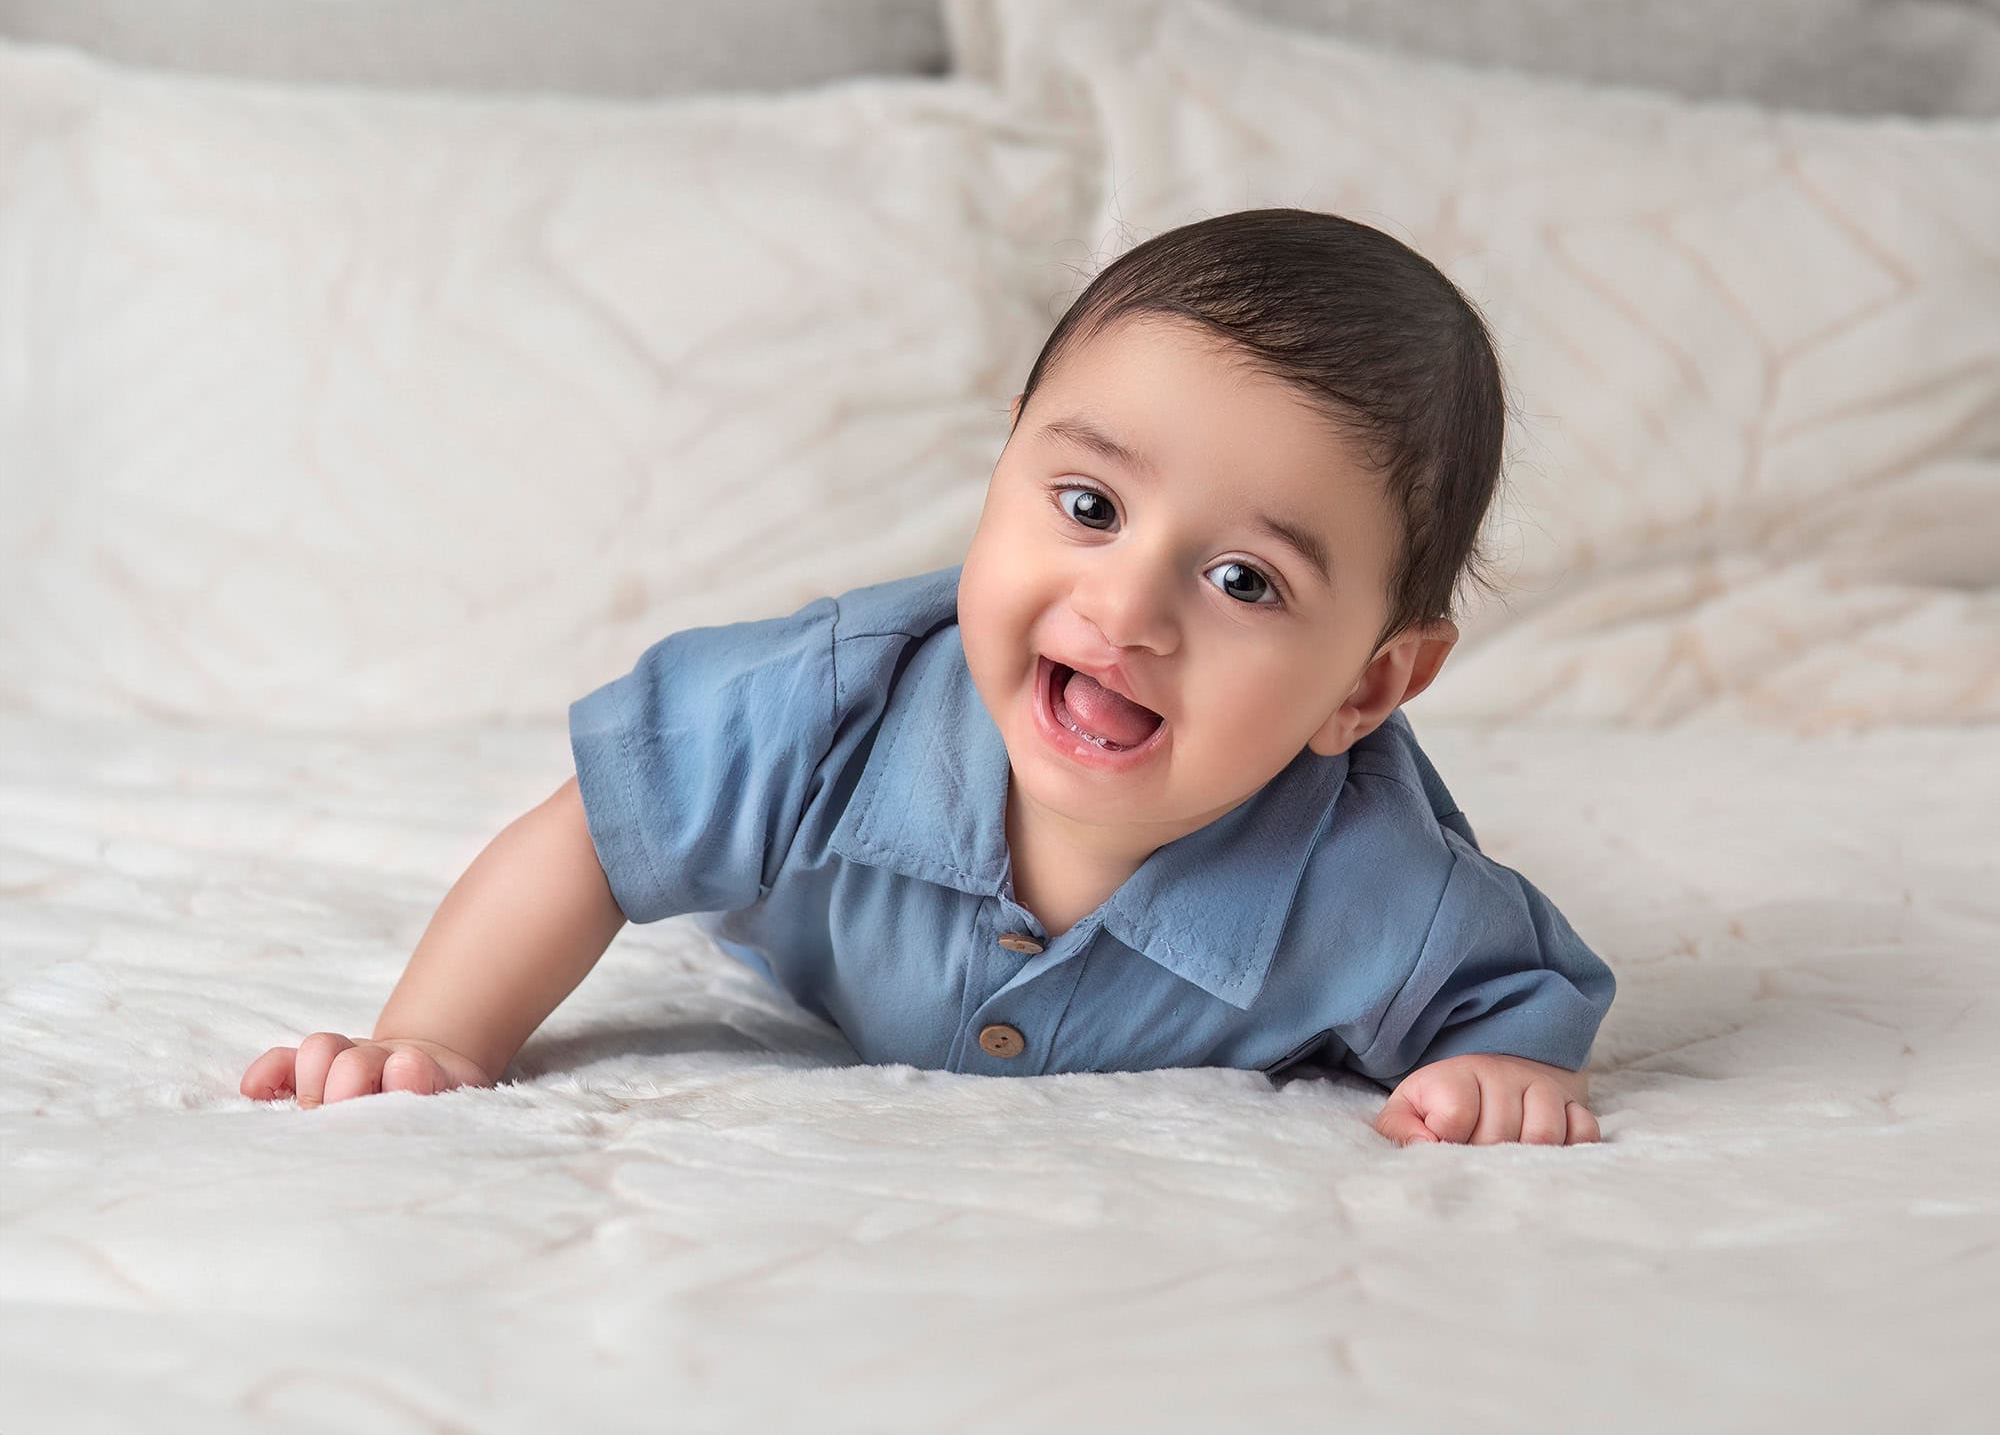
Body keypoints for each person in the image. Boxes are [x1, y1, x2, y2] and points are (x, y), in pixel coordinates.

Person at [241, 208, 1617, 1147]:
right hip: (796, 930)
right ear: (1007, 461)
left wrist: (1496, 1077)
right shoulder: (824, 706)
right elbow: (593, 836)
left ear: (1367, 691)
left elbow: (1518, 1001)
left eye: (1245, 581)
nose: (1124, 605)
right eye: (1087, 506)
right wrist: (434, 1044)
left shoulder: (1386, 892)